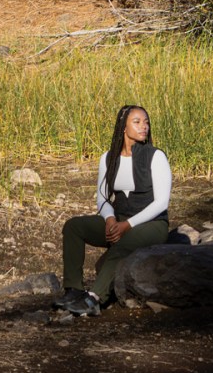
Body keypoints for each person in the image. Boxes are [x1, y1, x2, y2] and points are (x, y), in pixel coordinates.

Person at [57, 104, 171, 314]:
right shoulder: (108, 158)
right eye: (137, 122)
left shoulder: (156, 156)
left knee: (122, 246)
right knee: (74, 227)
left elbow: (161, 203)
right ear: (123, 127)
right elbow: (102, 197)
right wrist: (110, 220)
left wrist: (127, 225)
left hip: (152, 224)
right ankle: (73, 290)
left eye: (146, 122)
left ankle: (94, 298)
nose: (143, 127)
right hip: (119, 219)